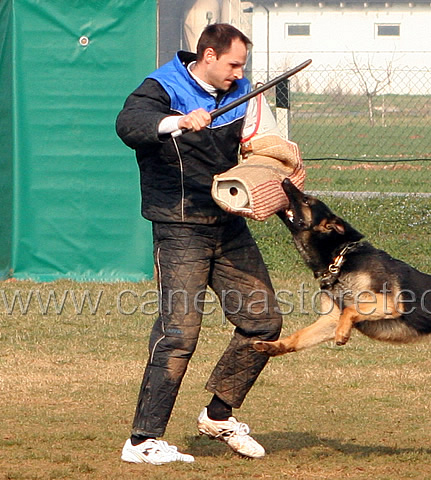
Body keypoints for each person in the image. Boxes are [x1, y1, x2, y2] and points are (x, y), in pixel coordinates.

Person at [116, 23, 282, 465]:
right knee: (179, 334)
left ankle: (218, 414)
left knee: (263, 322)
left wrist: (281, 159)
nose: (238, 73)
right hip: (179, 226)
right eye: (232, 64)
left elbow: (262, 140)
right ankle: (142, 440)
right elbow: (128, 124)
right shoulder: (163, 86)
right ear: (207, 56)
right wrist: (177, 122)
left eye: (242, 65)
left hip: (227, 225)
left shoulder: (243, 91)